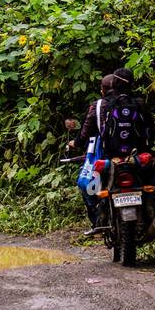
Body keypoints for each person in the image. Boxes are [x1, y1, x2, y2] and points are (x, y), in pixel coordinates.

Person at [65, 74, 115, 228]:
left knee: (87, 183)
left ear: (102, 90)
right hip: (132, 155)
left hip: (105, 154)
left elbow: (85, 133)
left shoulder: (98, 106)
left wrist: (75, 143)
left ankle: (98, 221)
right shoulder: (134, 103)